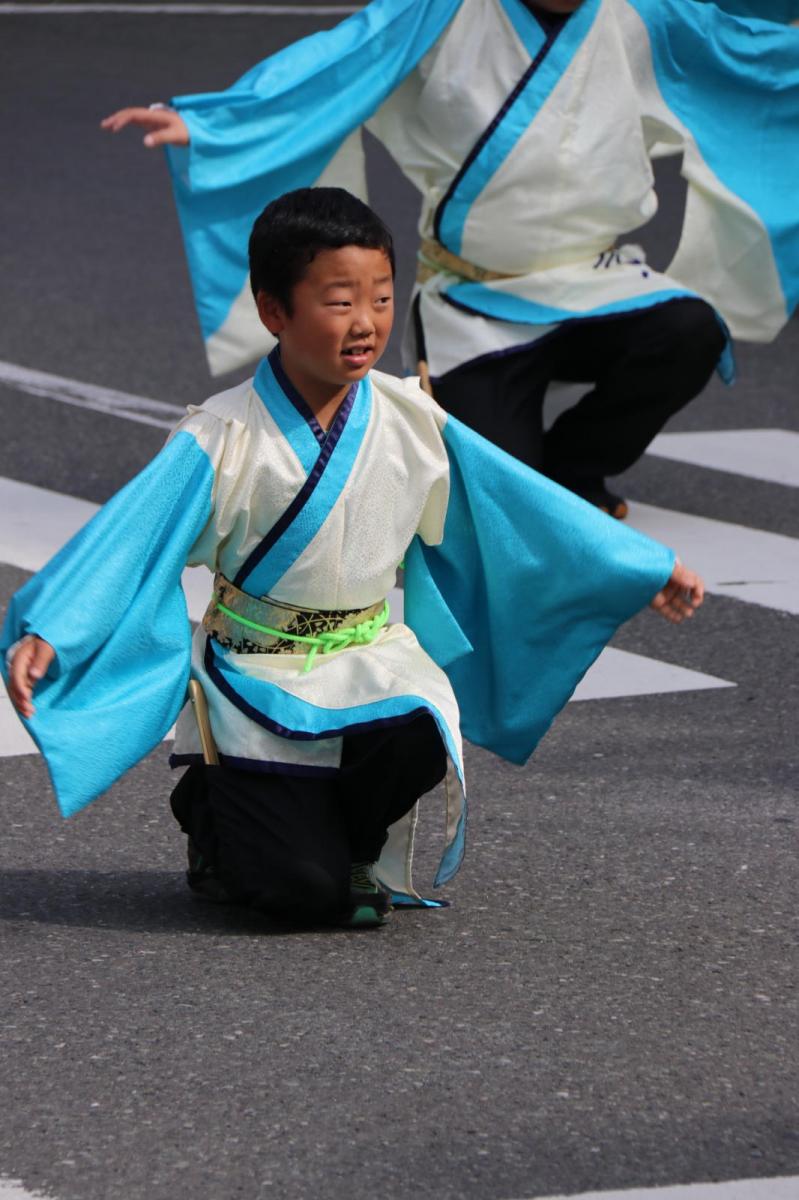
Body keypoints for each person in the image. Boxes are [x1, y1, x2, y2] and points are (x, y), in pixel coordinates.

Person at [3, 188, 703, 929]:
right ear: (274, 311)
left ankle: (354, 842)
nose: (366, 321)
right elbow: (132, 534)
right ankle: (209, 807)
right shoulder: (223, 433)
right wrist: (56, 626)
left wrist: (639, 565)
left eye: (381, 298)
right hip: (257, 677)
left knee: (422, 728)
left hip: (367, 661)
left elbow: (516, 503)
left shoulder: (410, 416)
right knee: (300, 898)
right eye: (340, 302)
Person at [101, 0, 799, 517]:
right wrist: (216, 122)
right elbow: (340, 60)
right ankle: (519, 466)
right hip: (473, 303)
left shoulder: (647, 13)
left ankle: (577, 468)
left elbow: (749, 57)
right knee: (497, 505)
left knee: (690, 330)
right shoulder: (443, 10)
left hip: (595, 283)